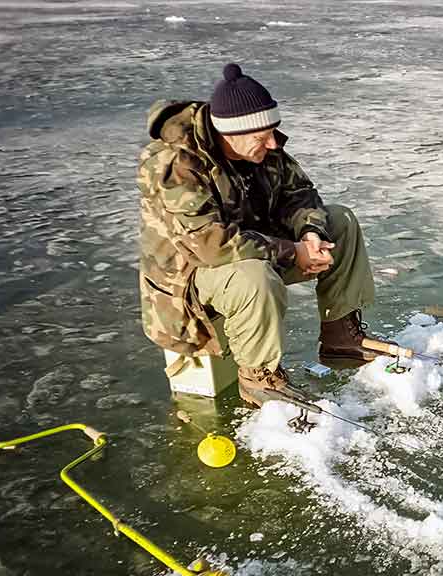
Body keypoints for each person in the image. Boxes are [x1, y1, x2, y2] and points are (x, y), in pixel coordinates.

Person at [138, 63, 384, 406]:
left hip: (250, 251)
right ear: (229, 134)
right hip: (188, 280)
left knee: (339, 221)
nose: (272, 143)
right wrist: (292, 252)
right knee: (254, 275)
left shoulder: (259, 146)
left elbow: (300, 193)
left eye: (272, 131)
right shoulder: (174, 164)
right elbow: (209, 244)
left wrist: (310, 233)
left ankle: (340, 336)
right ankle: (258, 377)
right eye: (261, 137)